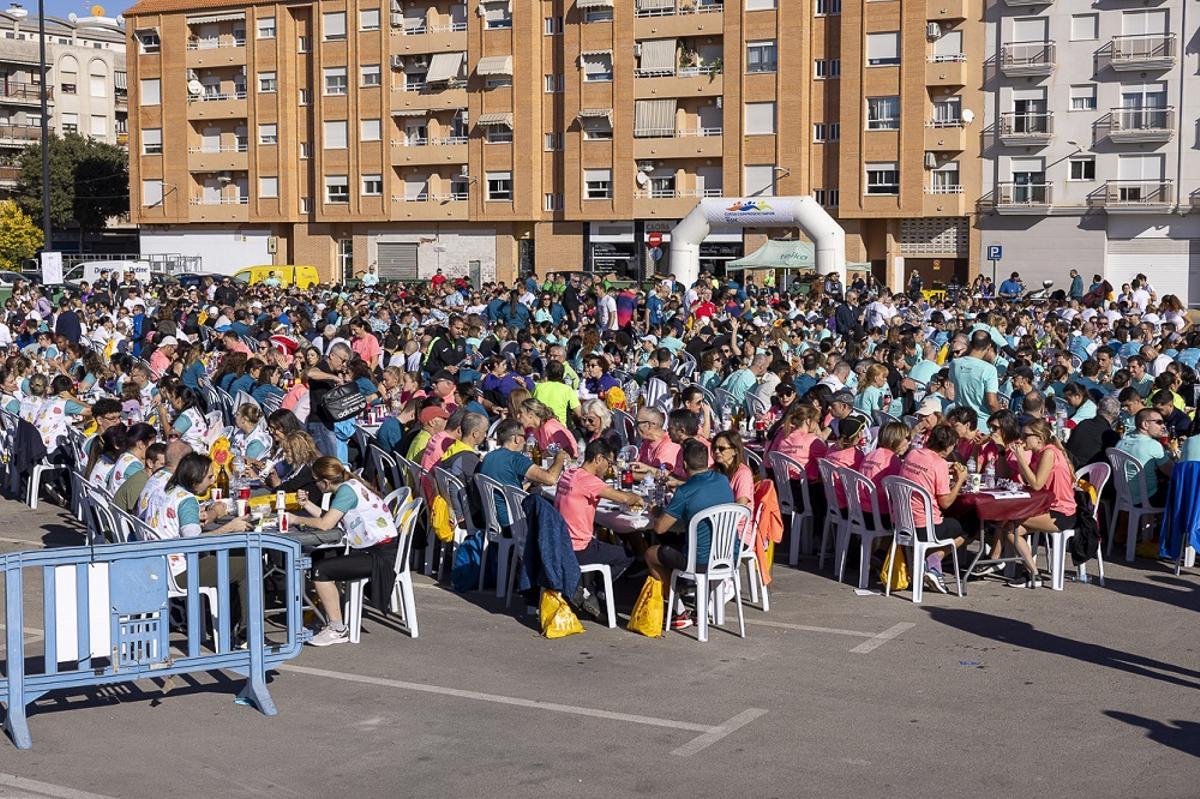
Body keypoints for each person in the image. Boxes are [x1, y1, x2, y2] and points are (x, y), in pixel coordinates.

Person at [287, 457, 401, 646]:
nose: (314, 484)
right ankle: (331, 616)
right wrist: (307, 505)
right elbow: (332, 517)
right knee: (324, 559)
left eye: (315, 480)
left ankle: (337, 628)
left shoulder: (346, 492)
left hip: (379, 555)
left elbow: (325, 524)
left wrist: (296, 520)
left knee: (320, 570)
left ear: (325, 482)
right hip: (379, 548)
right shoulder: (351, 485)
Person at [645, 439, 737, 630]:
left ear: (685, 465)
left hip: (699, 561)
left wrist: (655, 511)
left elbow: (660, 528)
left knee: (651, 553)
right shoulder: (723, 480)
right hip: (728, 556)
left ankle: (678, 611)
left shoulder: (685, 491)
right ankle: (696, 607)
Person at [1000, 419, 1078, 589]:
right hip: (1047, 507)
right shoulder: (1038, 452)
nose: (1022, 439)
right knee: (1010, 530)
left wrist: (1021, 459)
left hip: (1062, 512)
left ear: (1040, 438)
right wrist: (1020, 460)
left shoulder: (1049, 453)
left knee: (1010, 525)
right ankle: (1032, 572)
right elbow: (1029, 481)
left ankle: (1032, 574)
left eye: (1026, 435)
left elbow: (1036, 484)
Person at [553, 439, 641, 582]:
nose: (610, 469)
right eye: (610, 463)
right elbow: (625, 499)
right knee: (627, 556)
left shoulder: (569, 473)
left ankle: (594, 586)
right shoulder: (588, 481)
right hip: (578, 547)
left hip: (560, 541)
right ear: (599, 458)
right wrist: (638, 498)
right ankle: (601, 592)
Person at [897, 424, 968, 594]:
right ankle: (933, 561)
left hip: (903, 522)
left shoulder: (913, 454)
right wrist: (960, 480)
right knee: (969, 525)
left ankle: (927, 564)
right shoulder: (939, 464)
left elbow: (926, 473)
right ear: (948, 446)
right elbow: (946, 503)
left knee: (951, 521)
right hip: (924, 527)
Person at [1113, 407, 1175, 507]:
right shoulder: (1152, 445)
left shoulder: (1121, 442)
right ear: (1145, 424)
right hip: (1147, 498)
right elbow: (1173, 472)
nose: (1163, 426)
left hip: (1123, 497)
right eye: (1159, 422)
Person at [947, 331, 1002, 432]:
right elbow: (992, 403)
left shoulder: (955, 364)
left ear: (971, 344)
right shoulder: (989, 369)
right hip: (982, 426)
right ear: (989, 346)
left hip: (960, 422)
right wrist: (1002, 417)